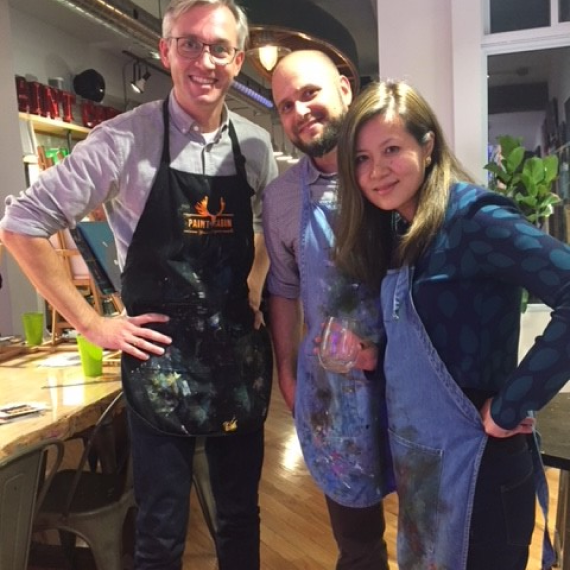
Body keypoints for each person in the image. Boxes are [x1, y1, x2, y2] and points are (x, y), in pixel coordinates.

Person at [0, 1, 277, 568]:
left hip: (237, 365)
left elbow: (274, 228)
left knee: (240, 520)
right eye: (190, 43)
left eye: (219, 47)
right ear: (166, 51)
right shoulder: (124, 140)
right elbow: (20, 224)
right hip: (160, 363)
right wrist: (90, 322)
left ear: (238, 59)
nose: (205, 59)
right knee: (158, 529)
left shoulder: (253, 146)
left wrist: (255, 281)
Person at [334, 80, 568, 570]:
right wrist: (381, 354)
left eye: (391, 149)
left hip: (479, 471)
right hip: (425, 473)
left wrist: (511, 405)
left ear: (428, 145)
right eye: (360, 158)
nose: (375, 171)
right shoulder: (401, 228)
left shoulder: (474, 220)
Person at [263, 50, 393, 570]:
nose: (300, 111)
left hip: (414, 382)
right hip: (334, 396)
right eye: (286, 105)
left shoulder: (394, 172)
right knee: (358, 547)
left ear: (345, 87)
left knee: (436, 532)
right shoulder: (280, 198)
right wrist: (288, 374)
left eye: (310, 93)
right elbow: (284, 287)